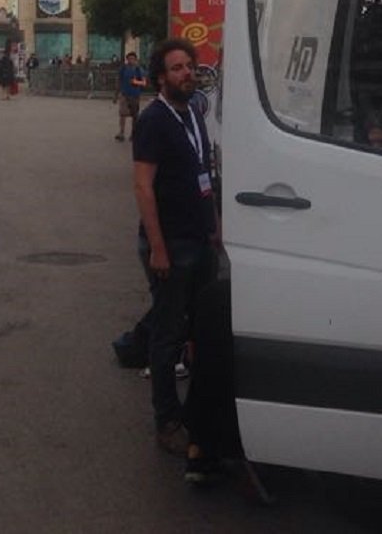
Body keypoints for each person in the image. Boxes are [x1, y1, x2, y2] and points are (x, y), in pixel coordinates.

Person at [133, 38, 218, 455]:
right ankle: (166, 421)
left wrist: (214, 225)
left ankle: (199, 412)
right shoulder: (154, 120)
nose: (187, 73)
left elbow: (203, 171)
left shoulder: (194, 111)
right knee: (167, 337)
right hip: (171, 243)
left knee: (201, 330)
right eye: (177, 68)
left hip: (200, 239)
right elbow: (144, 186)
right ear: (161, 77)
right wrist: (157, 247)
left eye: (190, 66)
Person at [115, 50, 147, 142]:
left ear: (136, 60)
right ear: (127, 59)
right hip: (124, 94)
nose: (131, 61)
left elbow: (144, 83)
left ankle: (133, 133)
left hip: (135, 95)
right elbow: (119, 81)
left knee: (134, 115)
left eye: (133, 59)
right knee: (122, 114)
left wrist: (136, 82)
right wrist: (116, 94)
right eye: (129, 59)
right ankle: (121, 133)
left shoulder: (139, 70)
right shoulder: (123, 69)